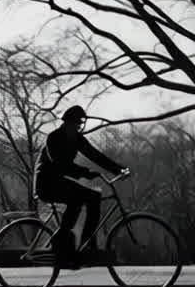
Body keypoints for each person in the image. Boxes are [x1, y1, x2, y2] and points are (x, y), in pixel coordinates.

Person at [33, 105, 127, 269]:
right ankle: (63, 244)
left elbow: (95, 155)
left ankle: (86, 244)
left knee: (94, 197)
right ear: (67, 123)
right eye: (76, 123)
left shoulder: (77, 139)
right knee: (76, 199)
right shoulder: (54, 138)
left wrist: (118, 169)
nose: (78, 127)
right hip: (46, 184)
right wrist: (84, 172)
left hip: (60, 182)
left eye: (80, 124)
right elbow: (59, 164)